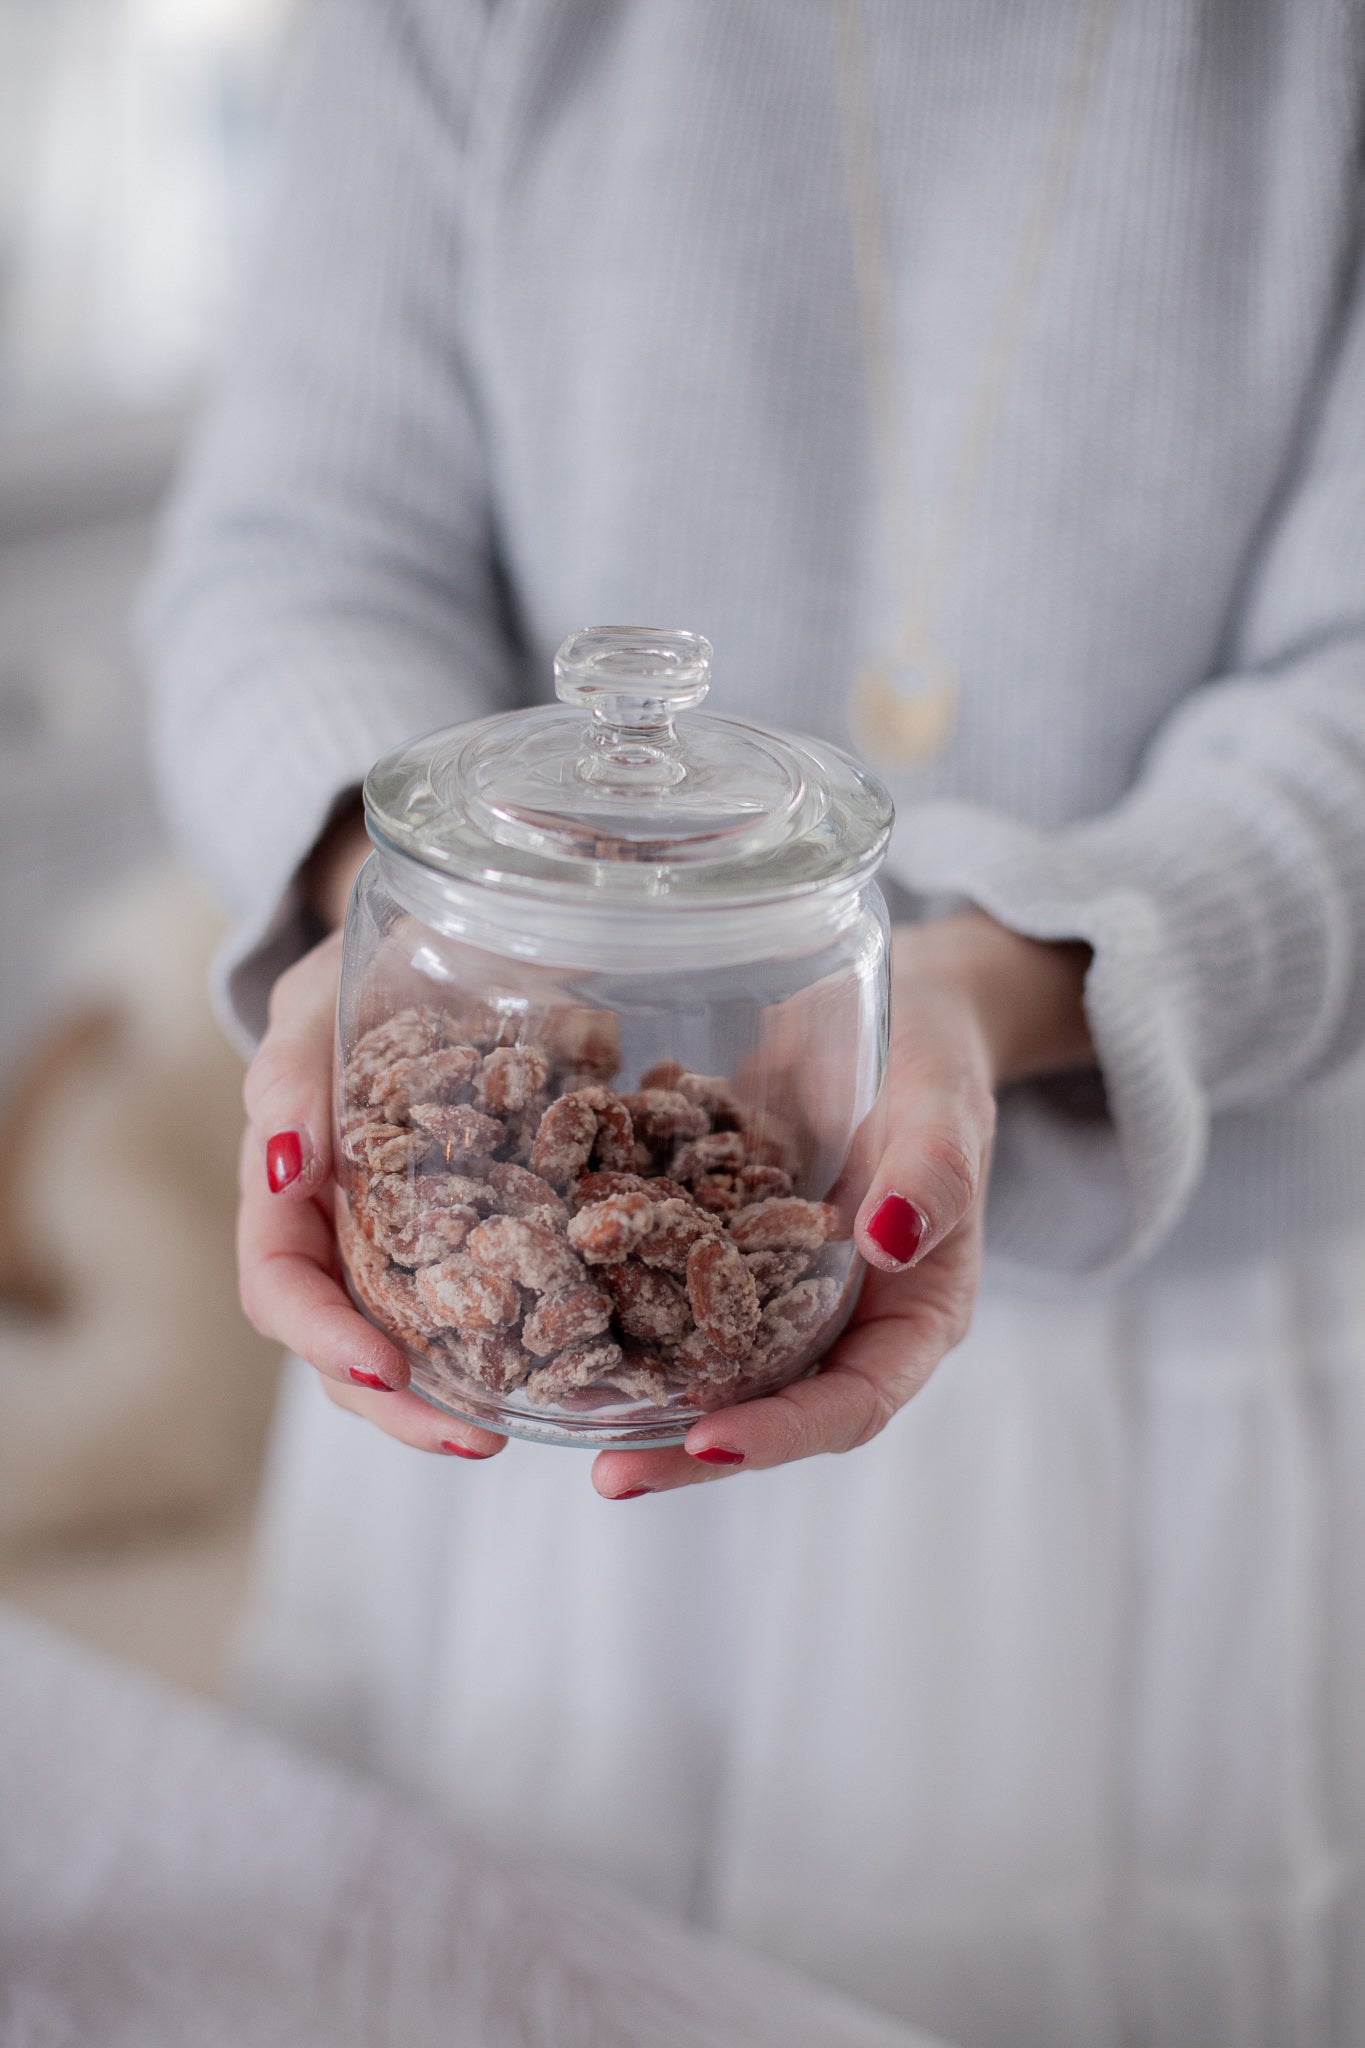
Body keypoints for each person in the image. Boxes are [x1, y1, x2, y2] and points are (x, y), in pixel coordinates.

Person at [145, 4, 1365, 2045]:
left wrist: (977, 994)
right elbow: (292, 549)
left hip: (1137, 1369)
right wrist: (408, 931)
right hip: (500, 1385)